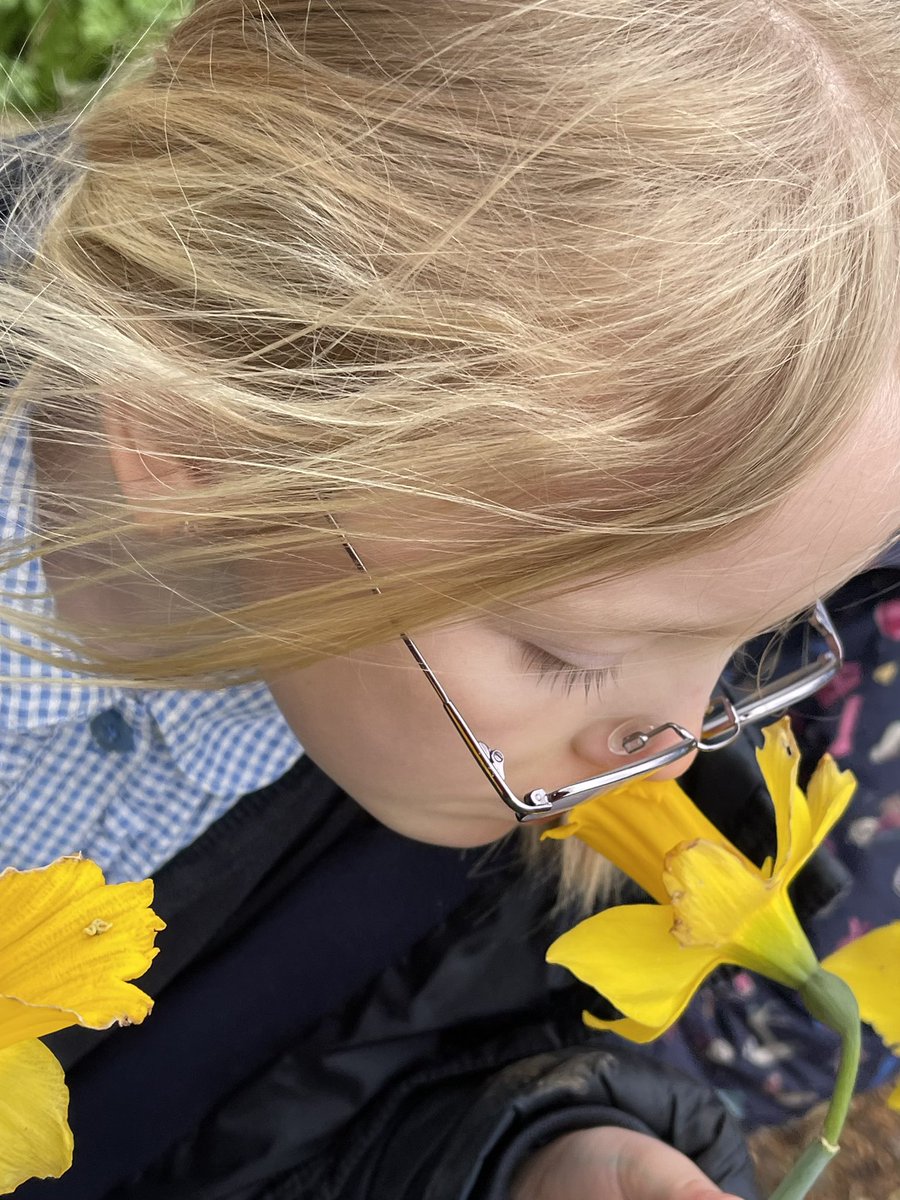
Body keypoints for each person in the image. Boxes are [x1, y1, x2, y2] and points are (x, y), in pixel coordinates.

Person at [1, 1, 899, 1197]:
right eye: (572, 653)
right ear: (201, 442)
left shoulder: (441, 797)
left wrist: (531, 1158)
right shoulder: (416, 728)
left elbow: (329, 1083)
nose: (679, 753)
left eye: (763, 640)